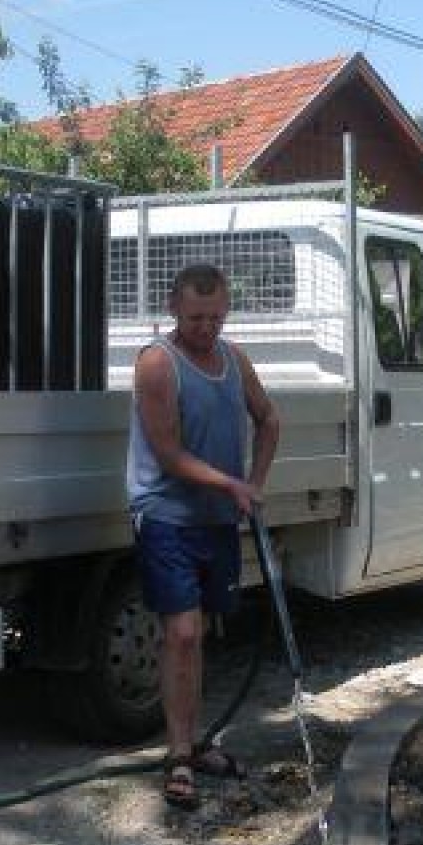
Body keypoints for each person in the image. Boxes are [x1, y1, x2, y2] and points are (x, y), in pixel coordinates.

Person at [127, 263, 280, 809]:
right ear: (174, 308)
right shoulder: (157, 364)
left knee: (203, 633)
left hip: (216, 520)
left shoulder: (234, 360)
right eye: (196, 318)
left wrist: (254, 483)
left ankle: (194, 744)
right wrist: (232, 484)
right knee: (183, 632)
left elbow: (269, 420)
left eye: (216, 318)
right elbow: (169, 454)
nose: (206, 328)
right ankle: (177, 757)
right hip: (165, 515)